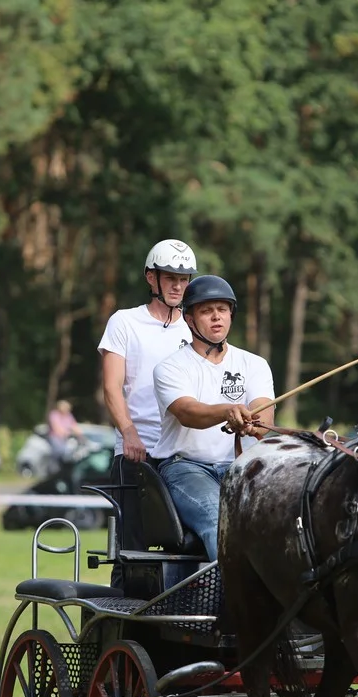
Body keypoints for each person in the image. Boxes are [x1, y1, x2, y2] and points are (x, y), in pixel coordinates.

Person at [151, 275, 275, 561]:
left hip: (243, 468)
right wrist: (227, 411)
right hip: (186, 468)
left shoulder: (254, 364)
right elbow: (188, 412)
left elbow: (264, 414)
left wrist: (252, 421)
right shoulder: (170, 368)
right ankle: (228, 603)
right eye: (207, 311)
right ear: (189, 319)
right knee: (219, 522)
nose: (216, 317)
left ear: (232, 314)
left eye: (223, 309)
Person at [97, 239, 198, 582]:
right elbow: (112, 387)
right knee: (132, 548)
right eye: (170, 276)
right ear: (151, 278)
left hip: (182, 454)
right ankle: (124, 619)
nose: (177, 285)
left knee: (188, 544)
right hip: (135, 452)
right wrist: (129, 433)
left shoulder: (195, 329)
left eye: (184, 279)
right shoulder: (124, 322)